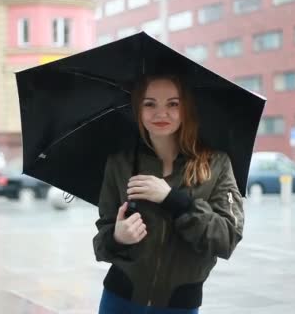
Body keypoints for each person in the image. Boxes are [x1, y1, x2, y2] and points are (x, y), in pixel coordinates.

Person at [93, 75, 244, 313]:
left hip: (179, 305)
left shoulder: (217, 164)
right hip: (119, 299)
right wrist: (117, 237)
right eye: (149, 104)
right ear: (138, 110)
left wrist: (173, 200)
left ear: (186, 109)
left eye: (173, 104)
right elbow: (102, 241)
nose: (160, 113)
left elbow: (226, 238)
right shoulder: (119, 163)